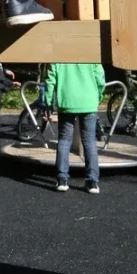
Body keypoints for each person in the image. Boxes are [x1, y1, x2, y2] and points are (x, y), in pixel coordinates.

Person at [44, 62, 105, 194]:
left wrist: (48, 103)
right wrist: (98, 96)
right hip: (89, 100)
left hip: (66, 101)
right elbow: (100, 78)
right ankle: (92, 181)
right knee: (89, 141)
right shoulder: (91, 54)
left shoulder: (57, 54)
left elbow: (50, 80)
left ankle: (62, 179)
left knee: (64, 140)